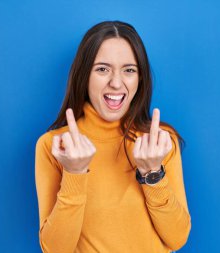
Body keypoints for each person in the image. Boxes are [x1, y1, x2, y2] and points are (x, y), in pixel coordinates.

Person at [35, 20, 191, 253]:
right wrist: (74, 174)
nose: (116, 83)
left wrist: (153, 174)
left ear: (140, 78)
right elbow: (55, 249)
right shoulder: (54, 146)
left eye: (129, 70)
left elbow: (177, 238)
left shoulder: (159, 142)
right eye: (102, 69)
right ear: (84, 75)